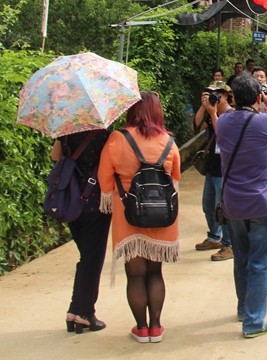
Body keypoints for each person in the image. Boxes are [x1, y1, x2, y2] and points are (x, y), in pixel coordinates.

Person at [216, 74, 267, 338]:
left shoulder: (224, 122)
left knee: (241, 259)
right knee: (260, 263)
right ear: (259, 96)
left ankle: (243, 308)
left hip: (234, 204)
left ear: (234, 97)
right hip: (263, 203)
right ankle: (253, 322)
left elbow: (223, 112)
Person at [98, 91, 181, 344]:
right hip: (162, 214)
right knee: (155, 273)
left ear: (131, 110)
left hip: (128, 214)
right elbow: (175, 179)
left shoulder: (117, 138)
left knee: (135, 275)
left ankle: (141, 328)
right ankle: (156, 328)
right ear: (158, 112)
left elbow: (104, 180)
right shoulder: (168, 141)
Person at [51, 128, 112, 335]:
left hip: (70, 200)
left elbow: (55, 157)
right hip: (94, 202)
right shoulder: (105, 134)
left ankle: (75, 310)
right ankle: (85, 314)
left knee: (85, 257)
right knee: (92, 260)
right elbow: (109, 164)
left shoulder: (65, 130)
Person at [193, 81, 234, 261]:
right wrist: (204, 108)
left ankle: (229, 244)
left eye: (217, 93)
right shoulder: (211, 112)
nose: (213, 96)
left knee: (222, 208)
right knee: (208, 205)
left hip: (226, 168)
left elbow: (224, 138)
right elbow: (196, 127)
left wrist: (212, 112)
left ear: (226, 95)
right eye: (210, 93)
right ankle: (214, 237)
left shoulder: (233, 115)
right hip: (212, 166)